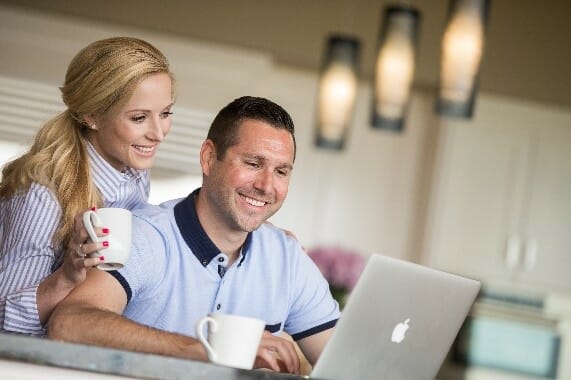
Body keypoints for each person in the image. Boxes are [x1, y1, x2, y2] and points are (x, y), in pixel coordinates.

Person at [47, 96, 339, 374]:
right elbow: (69, 324)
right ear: (209, 158)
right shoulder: (146, 236)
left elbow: (347, 361)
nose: (266, 185)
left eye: (281, 171)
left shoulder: (287, 257)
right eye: (253, 163)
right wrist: (203, 350)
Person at [0, 36, 175, 335]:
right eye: (139, 117)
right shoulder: (41, 196)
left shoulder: (135, 173)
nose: (158, 133)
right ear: (91, 115)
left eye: (166, 113)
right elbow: (4, 321)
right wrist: (67, 275)